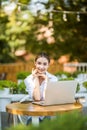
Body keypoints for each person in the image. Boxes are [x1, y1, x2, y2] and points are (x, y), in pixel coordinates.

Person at [24, 52, 57, 124]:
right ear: (35, 63)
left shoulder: (53, 79)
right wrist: (35, 78)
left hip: (49, 113)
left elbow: (47, 99)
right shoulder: (29, 79)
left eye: (45, 64)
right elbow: (37, 99)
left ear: (48, 65)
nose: (41, 67)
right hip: (34, 114)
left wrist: (47, 80)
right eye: (39, 63)